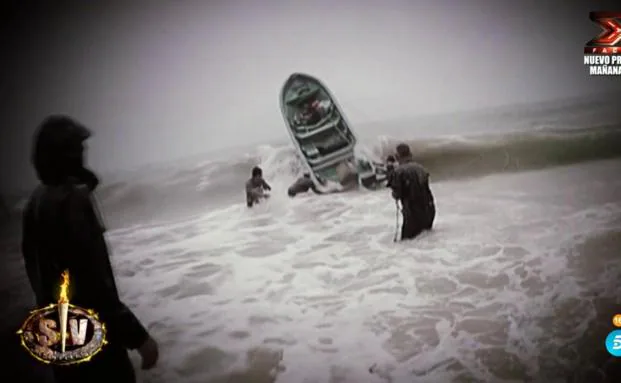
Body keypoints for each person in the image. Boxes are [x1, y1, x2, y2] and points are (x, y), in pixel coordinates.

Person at [21, 115, 159, 383]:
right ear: (65, 154)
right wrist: (138, 337)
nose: (84, 152)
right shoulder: (73, 199)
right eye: (77, 146)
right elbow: (94, 282)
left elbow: (38, 274)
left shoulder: (34, 203)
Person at [389, 143, 435, 240]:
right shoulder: (421, 168)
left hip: (412, 212)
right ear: (410, 154)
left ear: (397, 156)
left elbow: (397, 194)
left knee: (407, 242)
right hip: (429, 209)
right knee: (426, 240)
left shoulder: (398, 171)